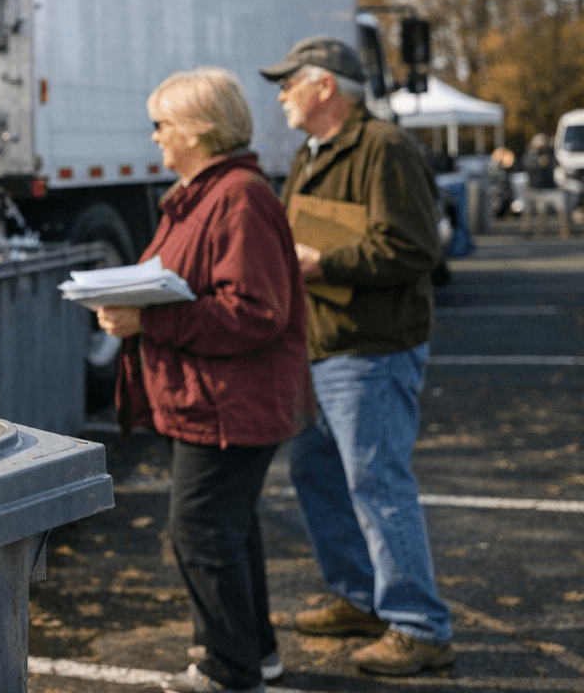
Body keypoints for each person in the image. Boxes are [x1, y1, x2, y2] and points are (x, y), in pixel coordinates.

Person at [96, 67, 312, 693]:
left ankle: (229, 671)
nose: (156, 138)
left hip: (226, 406)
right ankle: (255, 655)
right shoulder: (202, 194)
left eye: (162, 125)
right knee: (227, 530)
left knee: (200, 533)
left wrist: (151, 320)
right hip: (206, 400)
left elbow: (255, 312)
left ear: (200, 129)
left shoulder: (237, 196)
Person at [261, 35, 454, 676]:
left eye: (289, 81)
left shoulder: (385, 148)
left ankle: (420, 627)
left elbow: (417, 249)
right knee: (316, 472)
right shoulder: (314, 151)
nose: (281, 93)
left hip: (370, 350)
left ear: (325, 86)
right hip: (324, 346)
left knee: (377, 483)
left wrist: (324, 262)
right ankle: (360, 597)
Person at [520, 132, 570, 236]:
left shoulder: (550, 154)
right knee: (534, 210)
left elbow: (557, 164)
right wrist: (538, 164)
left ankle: (564, 229)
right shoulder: (530, 155)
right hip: (535, 186)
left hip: (549, 187)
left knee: (560, 208)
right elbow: (527, 166)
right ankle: (531, 229)